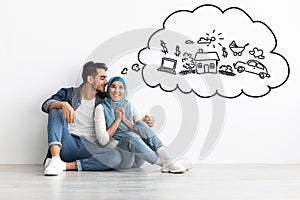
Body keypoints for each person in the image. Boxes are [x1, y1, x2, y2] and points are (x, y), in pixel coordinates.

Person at [94, 76, 191, 173]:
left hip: (137, 158)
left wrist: (148, 121)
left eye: (121, 87)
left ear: (125, 90)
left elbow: (142, 128)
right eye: (113, 87)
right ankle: (167, 163)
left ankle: (167, 158)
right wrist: (118, 120)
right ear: (108, 89)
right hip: (121, 156)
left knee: (140, 124)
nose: (117, 90)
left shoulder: (130, 105)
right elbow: (102, 141)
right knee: (131, 136)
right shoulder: (101, 108)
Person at [41, 61, 121, 176]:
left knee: (117, 157)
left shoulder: (105, 100)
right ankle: (55, 158)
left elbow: (124, 109)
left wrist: (140, 122)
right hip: (68, 143)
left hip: (90, 148)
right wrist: (63, 104)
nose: (106, 82)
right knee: (55, 109)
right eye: (102, 78)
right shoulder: (68, 93)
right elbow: (45, 105)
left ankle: (63, 165)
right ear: (90, 79)